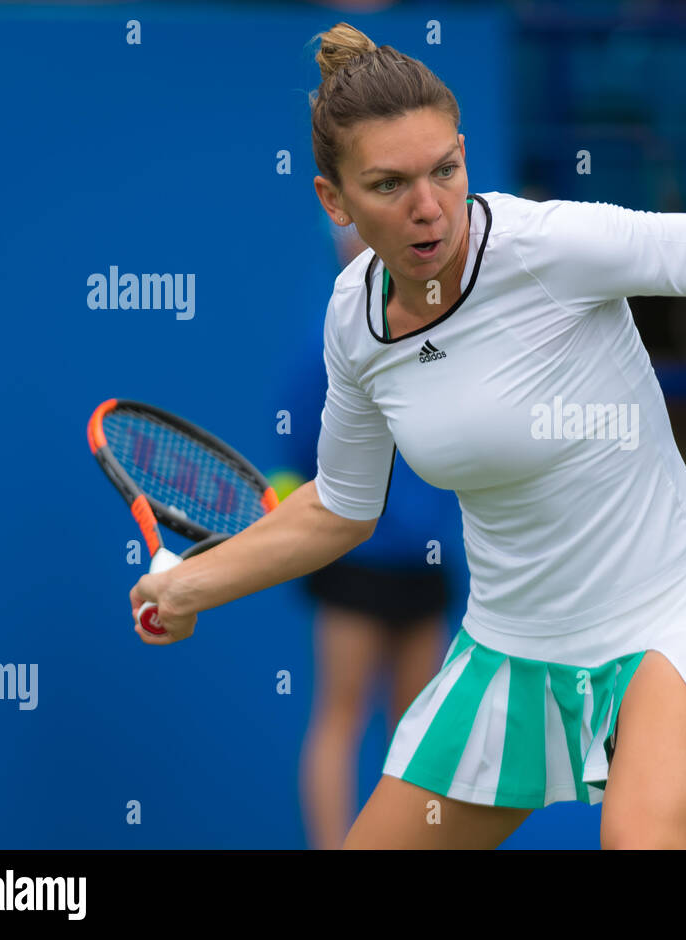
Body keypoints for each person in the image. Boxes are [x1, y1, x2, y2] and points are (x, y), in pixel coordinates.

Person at [129, 22, 686, 850]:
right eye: (390, 185)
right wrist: (193, 587)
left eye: (445, 171)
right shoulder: (353, 320)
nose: (429, 208)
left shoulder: (553, 246)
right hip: (508, 654)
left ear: (465, 154)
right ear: (334, 198)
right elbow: (340, 510)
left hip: (665, 623)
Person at [282, 259, 464, 848]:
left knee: (417, 736)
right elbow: (295, 448)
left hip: (425, 564)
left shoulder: (447, 338)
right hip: (355, 563)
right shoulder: (329, 339)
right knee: (341, 716)